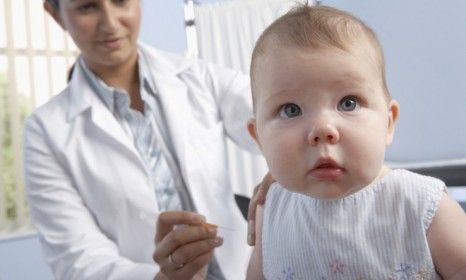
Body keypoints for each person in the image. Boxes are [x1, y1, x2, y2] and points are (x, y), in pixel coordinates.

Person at [24, 0, 268, 279]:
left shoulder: (198, 76)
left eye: (120, 1)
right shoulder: (45, 131)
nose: (111, 23)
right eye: (87, 7)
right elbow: (77, 258)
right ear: (55, 14)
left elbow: (274, 115)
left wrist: (293, 159)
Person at [245, 5, 466, 280]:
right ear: (259, 138)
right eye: (291, 109)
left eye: (348, 103)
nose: (323, 129)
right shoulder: (272, 214)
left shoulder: (422, 205)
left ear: (388, 123)